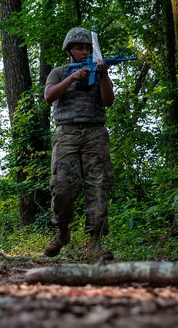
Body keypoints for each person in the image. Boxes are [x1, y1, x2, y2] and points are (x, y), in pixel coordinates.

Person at [43, 27, 115, 261]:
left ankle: (94, 242)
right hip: (66, 133)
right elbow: (49, 96)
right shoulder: (59, 71)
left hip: (95, 132)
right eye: (79, 48)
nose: (84, 52)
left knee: (97, 186)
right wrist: (72, 77)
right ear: (70, 50)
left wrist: (102, 75)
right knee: (61, 186)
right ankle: (62, 232)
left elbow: (108, 101)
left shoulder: (99, 70)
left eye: (87, 48)